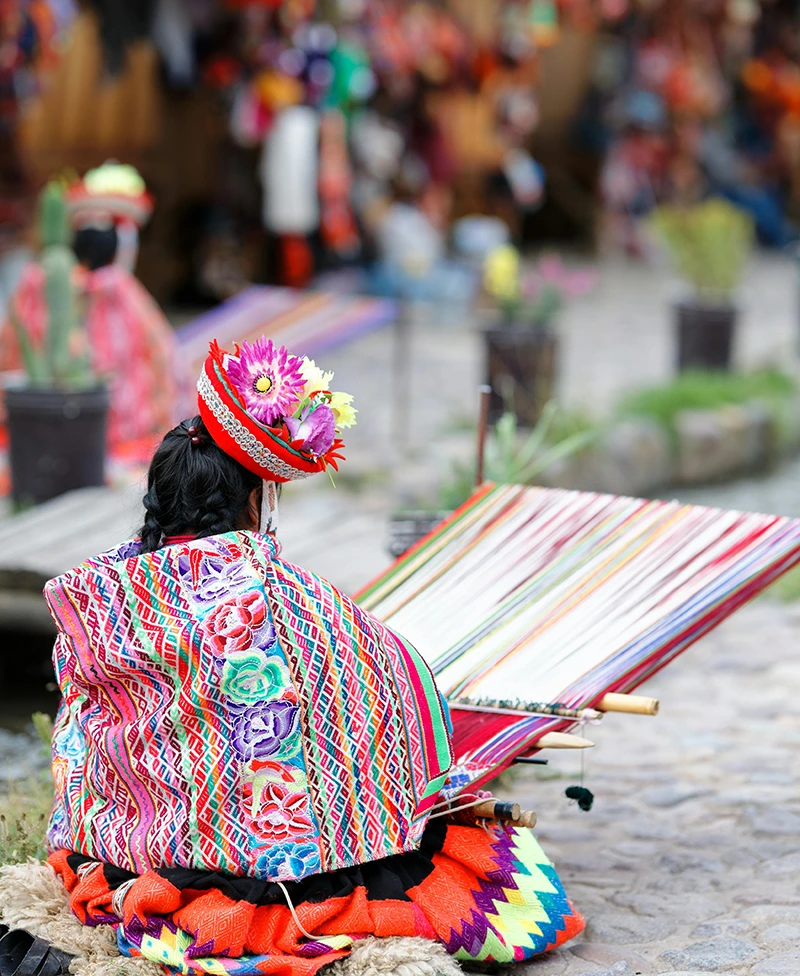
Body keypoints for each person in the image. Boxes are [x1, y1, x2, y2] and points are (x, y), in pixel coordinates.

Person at [42, 336, 583, 975]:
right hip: (267, 872)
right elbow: (392, 679)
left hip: (126, 846)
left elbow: (80, 718)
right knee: (476, 871)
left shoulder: (96, 594)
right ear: (254, 499)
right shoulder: (284, 597)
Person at [0, 163, 178, 448]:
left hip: (115, 424)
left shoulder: (118, 288)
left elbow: (158, 351)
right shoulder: (46, 280)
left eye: (104, 221)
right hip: (54, 418)